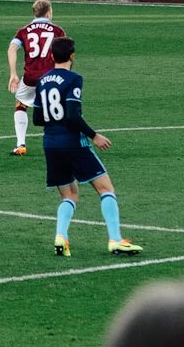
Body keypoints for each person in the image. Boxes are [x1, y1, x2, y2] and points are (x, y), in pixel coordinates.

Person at [36, 36, 142, 257]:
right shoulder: (74, 79)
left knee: (70, 195)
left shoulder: (42, 80)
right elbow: (73, 115)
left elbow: (37, 117)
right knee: (105, 188)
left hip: (50, 144)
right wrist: (94, 136)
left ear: (52, 56)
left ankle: (61, 237)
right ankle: (115, 239)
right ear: (72, 56)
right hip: (73, 143)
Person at [6, 0, 65, 157]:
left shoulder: (24, 31)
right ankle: (61, 144)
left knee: (21, 104)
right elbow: (64, 54)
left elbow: (11, 50)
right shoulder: (58, 31)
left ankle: (21, 144)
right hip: (51, 77)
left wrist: (13, 74)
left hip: (30, 77)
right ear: (48, 12)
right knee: (57, 109)